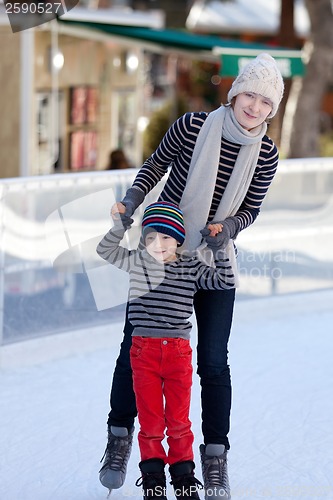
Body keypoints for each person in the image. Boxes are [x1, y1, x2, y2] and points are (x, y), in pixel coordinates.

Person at [99, 53, 284, 500]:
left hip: (215, 260)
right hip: (165, 253)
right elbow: (153, 168)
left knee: (214, 362)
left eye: (265, 102)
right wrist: (129, 203)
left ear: (271, 109)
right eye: (250, 95)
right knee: (135, 346)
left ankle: (215, 460)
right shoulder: (191, 127)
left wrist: (228, 230)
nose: (255, 107)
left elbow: (250, 208)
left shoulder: (267, 154)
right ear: (235, 91)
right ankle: (120, 439)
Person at [97, 201, 235, 499]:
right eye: (149, 238)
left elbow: (224, 280)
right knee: (150, 423)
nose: (156, 244)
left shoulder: (190, 266)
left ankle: (184, 479)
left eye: (165, 237)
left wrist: (220, 248)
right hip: (143, 353)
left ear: (179, 239)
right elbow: (104, 251)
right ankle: (153, 482)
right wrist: (120, 226)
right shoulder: (137, 262)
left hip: (177, 354)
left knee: (178, 422)